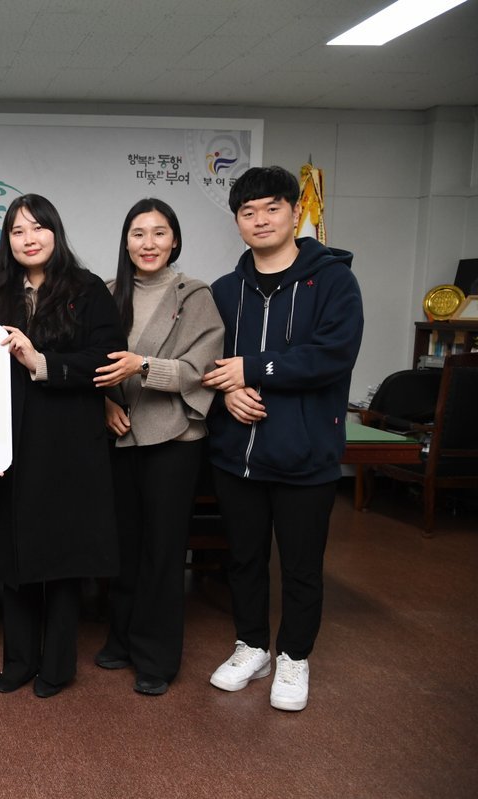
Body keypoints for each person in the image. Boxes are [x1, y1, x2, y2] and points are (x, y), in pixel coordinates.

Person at [201, 165, 363, 712]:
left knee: (300, 566)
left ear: (296, 213)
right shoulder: (225, 291)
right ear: (237, 222)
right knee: (244, 560)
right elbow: (209, 361)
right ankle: (252, 646)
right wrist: (228, 391)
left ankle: (294, 655)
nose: (261, 220)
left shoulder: (334, 280)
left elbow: (331, 356)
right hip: (237, 454)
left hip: (306, 455)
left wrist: (253, 369)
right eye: (248, 212)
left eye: (273, 208)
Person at [0, 193, 126, 698]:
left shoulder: (88, 290)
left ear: (55, 233)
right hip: (12, 444)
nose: (29, 238)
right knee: (14, 556)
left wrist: (41, 361)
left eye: (38, 228)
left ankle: (58, 666)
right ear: (7, 242)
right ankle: (18, 661)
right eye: (17, 231)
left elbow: (107, 359)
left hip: (68, 445)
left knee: (62, 558)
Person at [92, 198, 224, 696]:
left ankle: (156, 656)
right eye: (138, 234)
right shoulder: (107, 294)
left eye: (159, 233)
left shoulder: (195, 295)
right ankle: (122, 638)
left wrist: (143, 366)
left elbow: (202, 369)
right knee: (123, 544)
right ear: (126, 242)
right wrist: (105, 403)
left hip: (174, 436)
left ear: (175, 241)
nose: (148, 243)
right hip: (120, 433)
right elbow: (88, 363)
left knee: (164, 549)